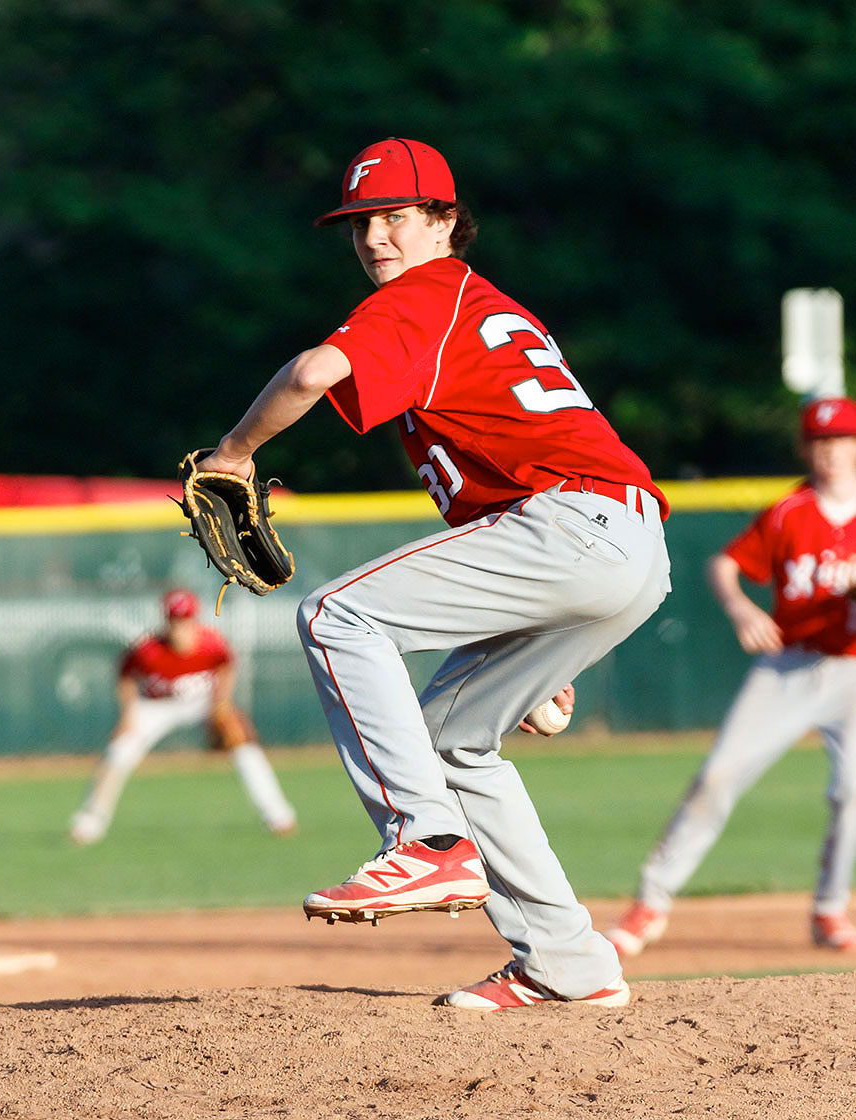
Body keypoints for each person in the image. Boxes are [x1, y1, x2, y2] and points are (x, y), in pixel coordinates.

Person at [195, 137, 671, 1011]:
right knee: (456, 739)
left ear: (446, 221)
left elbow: (312, 371)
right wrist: (531, 642)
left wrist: (234, 454)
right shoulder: (477, 307)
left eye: (396, 217)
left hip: (572, 523)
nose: (376, 237)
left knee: (337, 616)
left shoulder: (428, 295)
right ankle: (568, 960)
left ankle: (425, 841)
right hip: (622, 546)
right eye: (360, 223)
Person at [607, 396, 856, 957]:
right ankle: (650, 903)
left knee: (853, 793)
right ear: (804, 448)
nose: (831, 451)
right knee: (718, 777)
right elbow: (725, 563)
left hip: (853, 672)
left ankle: (829, 909)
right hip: (788, 667)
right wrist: (743, 609)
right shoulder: (790, 512)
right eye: (819, 441)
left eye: (841, 439)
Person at [68, 588, 297, 844]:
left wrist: (221, 704)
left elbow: (226, 667)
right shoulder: (148, 650)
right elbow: (126, 677)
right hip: (156, 706)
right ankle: (90, 822)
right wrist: (128, 716)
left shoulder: (211, 643)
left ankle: (279, 816)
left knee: (244, 746)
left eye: (185, 620)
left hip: (202, 702)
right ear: (166, 621)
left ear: (195, 620)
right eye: (175, 621)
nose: (180, 627)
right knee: (119, 751)